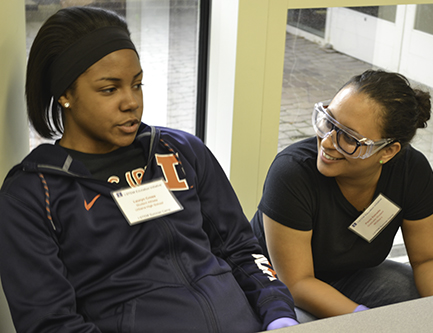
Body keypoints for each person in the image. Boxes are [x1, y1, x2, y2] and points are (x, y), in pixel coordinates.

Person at [0, 6, 298, 332]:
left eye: (137, 84)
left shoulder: (182, 151)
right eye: (109, 89)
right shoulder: (33, 195)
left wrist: (278, 313)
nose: (132, 102)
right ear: (66, 95)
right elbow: (51, 323)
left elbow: (241, 248)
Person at [251, 69, 433, 322]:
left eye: (349, 137)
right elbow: (297, 283)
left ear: (388, 151)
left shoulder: (411, 172)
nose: (326, 142)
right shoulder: (292, 173)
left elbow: (429, 260)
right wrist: (366, 321)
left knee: (416, 291)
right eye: (328, 121)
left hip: (350, 276)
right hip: (279, 285)